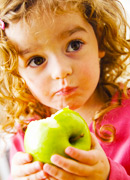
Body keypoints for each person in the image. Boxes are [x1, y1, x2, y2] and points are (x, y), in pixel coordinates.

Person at [0, 0, 130, 179]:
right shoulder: (24, 134)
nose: (60, 71)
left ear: (99, 40)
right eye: (37, 60)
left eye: (74, 45)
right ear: (17, 73)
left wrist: (109, 175)